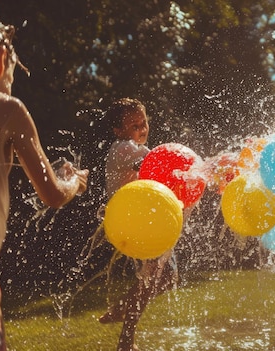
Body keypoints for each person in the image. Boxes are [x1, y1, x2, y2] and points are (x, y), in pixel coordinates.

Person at [0, 1, 89, 349]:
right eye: (11, 78)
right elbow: (53, 194)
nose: (10, 86)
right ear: (1, 59)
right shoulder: (7, 108)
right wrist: (74, 180)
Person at [97, 98, 178, 351]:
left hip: (136, 222)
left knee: (161, 277)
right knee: (158, 277)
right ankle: (124, 332)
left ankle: (124, 326)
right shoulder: (125, 148)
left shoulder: (125, 147)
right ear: (119, 131)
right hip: (138, 223)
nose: (142, 128)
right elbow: (157, 167)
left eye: (143, 122)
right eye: (134, 125)